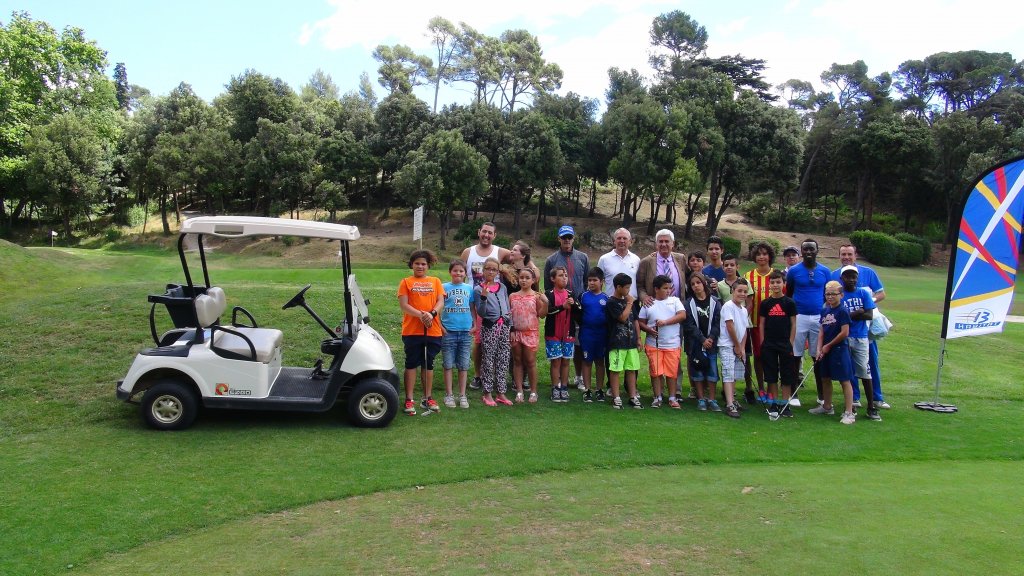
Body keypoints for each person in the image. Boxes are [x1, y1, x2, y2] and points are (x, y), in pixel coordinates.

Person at [831, 244, 890, 409]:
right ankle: (855, 397)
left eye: (849, 254)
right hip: (847, 329)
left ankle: (877, 398)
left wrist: (869, 303)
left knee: (870, 362)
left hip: (866, 328)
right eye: (843, 254)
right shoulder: (834, 275)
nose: (846, 257)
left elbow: (881, 293)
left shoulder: (868, 272)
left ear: (855, 255)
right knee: (849, 363)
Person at [461, 222, 511, 390]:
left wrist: (534, 269)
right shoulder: (468, 252)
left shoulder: (500, 252)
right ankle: (478, 375)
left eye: (490, 233)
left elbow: (522, 257)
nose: (486, 235)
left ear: (494, 235)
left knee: (496, 343)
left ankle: (494, 375)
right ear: (479, 232)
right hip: (474, 302)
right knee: (479, 341)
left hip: (493, 305)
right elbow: (460, 274)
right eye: (484, 232)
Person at [397, 249, 444, 416]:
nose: (420, 266)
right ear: (412, 265)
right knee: (411, 363)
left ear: (428, 265)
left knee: (428, 363)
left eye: (423, 264)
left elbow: (440, 301)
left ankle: (427, 397)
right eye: (417, 263)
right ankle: (409, 399)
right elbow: (404, 305)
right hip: (412, 330)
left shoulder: (435, 281)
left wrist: (431, 314)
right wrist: (421, 315)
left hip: (433, 329)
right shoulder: (406, 282)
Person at [785, 239, 831, 409]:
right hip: (799, 317)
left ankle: (821, 394)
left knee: (817, 355)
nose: (809, 252)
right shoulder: (794, 271)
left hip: (818, 317)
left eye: (812, 249)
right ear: (801, 252)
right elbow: (789, 292)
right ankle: (793, 392)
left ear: (817, 251)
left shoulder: (825, 271)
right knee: (795, 355)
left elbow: (828, 294)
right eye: (805, 250)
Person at [544, 225, 589, 390]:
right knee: (559, 345)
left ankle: (579, 377)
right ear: (559, 239)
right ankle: (558, 384)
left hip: (577, 308)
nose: (567, 240)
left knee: (578, 343)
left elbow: (585, 281)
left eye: (569, 237)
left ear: (573, 238)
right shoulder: (551, 259)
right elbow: (548, 286)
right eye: (564, 238)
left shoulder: (583, 257)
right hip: (558, 309)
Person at [638, 275, 687, 408]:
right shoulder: (649, 304)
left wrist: (665, 322)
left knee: (672, 372)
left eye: (669, 288)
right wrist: (648, 329)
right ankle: (657, 397)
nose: (668, 291)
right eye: (665, 288)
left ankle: (672, 397)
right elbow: (640, 322)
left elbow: (682, 315)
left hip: (673, 344)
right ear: (656, 289)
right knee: (656, 372)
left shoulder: (675, 301)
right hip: (654, 344)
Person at [812, 281, 857, 425]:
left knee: (844, 380)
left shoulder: (842, 311)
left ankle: (849, 412)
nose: (830, 297)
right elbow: (821, 331)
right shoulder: (824, 311)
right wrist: (819, 348)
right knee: (825, 377)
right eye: (827, 294)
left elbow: (845, 332)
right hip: (826, 350)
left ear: (841, 295)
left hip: (839, 350)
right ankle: (827, 406)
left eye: (833, 294)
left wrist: (829, 346)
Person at [839, 266, 880, 421]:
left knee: (864, 371)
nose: (851, 279)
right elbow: (840, 317)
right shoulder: (840, 295)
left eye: (854, 277)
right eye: (848, 276)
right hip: (845, 337)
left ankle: (871, 406)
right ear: (842, 278)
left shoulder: (863, 293)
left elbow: (869, 314)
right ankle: (851, 405)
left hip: (861, 337)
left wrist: (850, 316)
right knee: (847, 372)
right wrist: (857, 312)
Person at [758, 270, 797, 418]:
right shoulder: (766, 303)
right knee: (771, 375)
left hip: (785, 343)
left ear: (784, 284)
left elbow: (794, 324)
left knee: (786, 375)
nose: (775, 285)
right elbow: (761, 324)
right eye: (772, 282)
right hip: (769, 344)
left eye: (778, 282)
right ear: (769, 284)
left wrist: (791, 343)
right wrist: (762, 342)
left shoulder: (789, 303)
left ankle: (784, 404)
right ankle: (774, 403)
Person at [475, 258, 513, 407]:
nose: (491, 272)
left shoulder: (502, 287)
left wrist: (510, 324)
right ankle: (487, 393)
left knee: (503, 358)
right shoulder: (479, 289)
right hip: (490, 327)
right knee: (488, 360)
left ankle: (501, 392)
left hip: (504, 327)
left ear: (498, 272)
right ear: (483, 270)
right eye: (488, 269)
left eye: (494, 269)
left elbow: (507, 308)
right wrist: (484, 298)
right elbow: (481, 312)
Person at [743, 242, 777, 403]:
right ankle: (761, 388)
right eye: (758, 254)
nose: (761, 257)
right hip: (755, 324)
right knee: (758, 356)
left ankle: (773, 389)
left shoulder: (777, 275)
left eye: (765, 254)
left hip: (775, 325)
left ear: (770, 256)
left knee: (773, 357)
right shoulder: (748, 276)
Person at [682, 272, 721, 411]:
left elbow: (718, 322)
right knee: (697, 371)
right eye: (692, 284)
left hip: (711, 342)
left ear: (703, 283)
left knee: (712, 371)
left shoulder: (715, 302)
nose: (695, 286)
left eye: (698, 283)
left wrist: (710, 338)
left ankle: (712, 398)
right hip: (696, 343)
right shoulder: (688, 304)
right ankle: (701, 399)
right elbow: (689, 324)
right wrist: (702, 339)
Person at [509, 267, 547, 403]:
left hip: (530, 332)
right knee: (517, 361)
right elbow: (510, 315)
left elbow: (541, 314)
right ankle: (519, 391)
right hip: (516, 333)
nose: (524, 280)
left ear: (533, 280)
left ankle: (533, 391)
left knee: (530, 362)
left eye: (527, 278)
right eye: (521, 278)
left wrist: (546, 302)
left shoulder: (536, 296)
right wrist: (511, 330)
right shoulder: (512, 296)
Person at [441, 259, 475, 409]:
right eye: (455, 270)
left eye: (461, 271)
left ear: (465, 273)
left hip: (465, 332)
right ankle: (449, 395)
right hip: (449, 331)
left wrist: (475, 324)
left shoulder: (469, 289)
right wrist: (441, 327)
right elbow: (438, 307)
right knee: (448, 364)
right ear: (450, 272)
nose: (458, 273)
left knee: (464, 365)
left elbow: (472, 307)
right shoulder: (443, 288)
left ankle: (462, 395)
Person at [606, 273, 642, 409]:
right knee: (615, 370)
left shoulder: (629, 302)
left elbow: (635, 320)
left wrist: (638, 338)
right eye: (626, 288)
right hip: (617, 343)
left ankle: (632, 396)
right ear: (618, 287)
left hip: (631, 342)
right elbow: (622, 318)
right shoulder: (611, 303)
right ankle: (616, 397)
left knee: (631, 369)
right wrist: (629, 303)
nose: (628, 291)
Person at [545, 266, 578, 402]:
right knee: (556, 361)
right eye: (560, 275)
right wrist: (562, 307)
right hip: (553, 333)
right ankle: (555, 387)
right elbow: (548, 312)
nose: (564, 278)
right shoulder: (549, 294)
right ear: (553, 279)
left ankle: (564, 388)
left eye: (565, 275)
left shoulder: (571, 293)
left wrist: (575, 304)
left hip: (568, 333)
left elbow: (577, 312)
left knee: (566, 360)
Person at [719, 278, 750, 418]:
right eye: (739, 291)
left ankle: (733, 398)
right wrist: (736, 345)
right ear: (733, 291)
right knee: (728, 373)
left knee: (736, 374)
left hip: (738, 346)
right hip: (727, 344)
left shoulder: (743, 310)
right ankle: (730, 404)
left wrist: (742, 348)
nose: (742, 294)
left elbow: (744, 330)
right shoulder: (728, 306)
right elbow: (730, 326)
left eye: (745, 291)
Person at [578, 267, 609, 403]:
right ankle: (587, 390)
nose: (591, 283)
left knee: (600, 362)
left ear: (601, 281)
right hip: (587, 334)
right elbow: (577, 314)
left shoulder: (606, 298)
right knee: (587, 361)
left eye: (594, 280)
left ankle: (599, 389)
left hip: (601, 334)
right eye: (589, 280)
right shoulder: (583, 296)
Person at [637, 228, 687, 306]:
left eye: (667, 241)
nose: (663, 244)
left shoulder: (681, 259)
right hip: (655, 307)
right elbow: (639, 285)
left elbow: (690, 276)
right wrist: (644, 297)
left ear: (673, 243)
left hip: (678, 307)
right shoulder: (646, 262)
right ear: (656, 244)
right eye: (660, 241)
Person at [598, 228, 641, 298]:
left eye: (625, 238)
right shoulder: (604, 259)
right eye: (619, 238)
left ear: (630, 241)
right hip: (612, 304)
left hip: (633, 304)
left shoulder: (636, 259)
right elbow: (599, 283)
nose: (622, 241)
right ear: (614, 241)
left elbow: (640, 283)